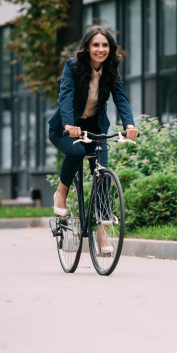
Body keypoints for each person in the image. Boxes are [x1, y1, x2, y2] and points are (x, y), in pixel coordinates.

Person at [48, 25, 139, 253]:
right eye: (96, 45)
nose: (101, 49)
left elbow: (121, 99)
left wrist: (129, 124)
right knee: (77, 152)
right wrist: (69, 124)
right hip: (66, 128)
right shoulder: (73, 67)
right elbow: (65, 96)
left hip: (95, 128)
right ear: (88, 47)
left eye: (105, 45)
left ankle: (102, 233)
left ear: (110, 48)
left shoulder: (111, 70)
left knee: (102, 175)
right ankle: (61, 192)